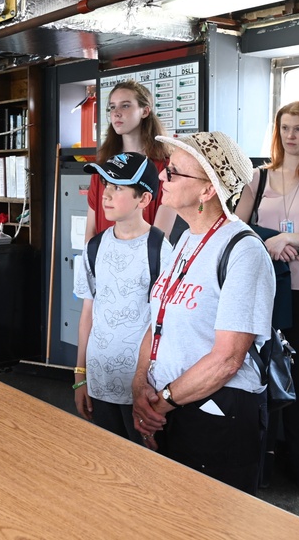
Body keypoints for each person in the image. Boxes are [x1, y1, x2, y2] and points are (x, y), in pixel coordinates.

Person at [131, 131, 275, 494]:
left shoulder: (244, 251)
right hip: (170, 406)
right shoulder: (184, 239)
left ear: (208, 190)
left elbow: (227, 359)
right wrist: (140, 386)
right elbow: (158, 320)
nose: (162, 176)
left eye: (175, 172)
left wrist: (160, 403)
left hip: (216, 416)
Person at [234, 100, 299, 490]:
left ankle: (296, 463)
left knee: (295, 374)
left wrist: (284, 238)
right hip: (263, 288)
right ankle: (258, 461)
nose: (291, 136)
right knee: (256, 372)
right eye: (285, 128)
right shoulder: (258, 177)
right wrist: (270, 245)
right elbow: (238, 228)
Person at [72, 152, 173, 442]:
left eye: (119, 187)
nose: (107, 194)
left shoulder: (160, 249)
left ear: (144, 199)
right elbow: (87, 314)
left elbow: (164, 324)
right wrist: (80, 376)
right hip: (100, 381)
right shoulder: (93, 248)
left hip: (142, 388)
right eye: (106, 184)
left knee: (145, 466)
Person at [84, 80, 176, 242]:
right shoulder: (102, 168)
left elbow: (160, 238)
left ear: (145, 111)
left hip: (143, 263)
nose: (116, 113)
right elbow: (90, 233)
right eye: (112, 107)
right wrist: (91, 264)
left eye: (125, 105)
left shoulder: (165, 168)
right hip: (102, 261)